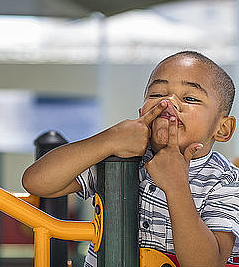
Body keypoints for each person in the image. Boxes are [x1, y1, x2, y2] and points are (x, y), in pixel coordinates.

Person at [22, 51, 239, 266]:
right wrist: (109, 139)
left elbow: (208, 263)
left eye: (190, 98)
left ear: (223, 128)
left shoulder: (225, 181)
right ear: (141, 111)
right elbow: (37, 182)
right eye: (156, 95)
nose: (168, 102)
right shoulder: (118, 157)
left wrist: (176, 187)